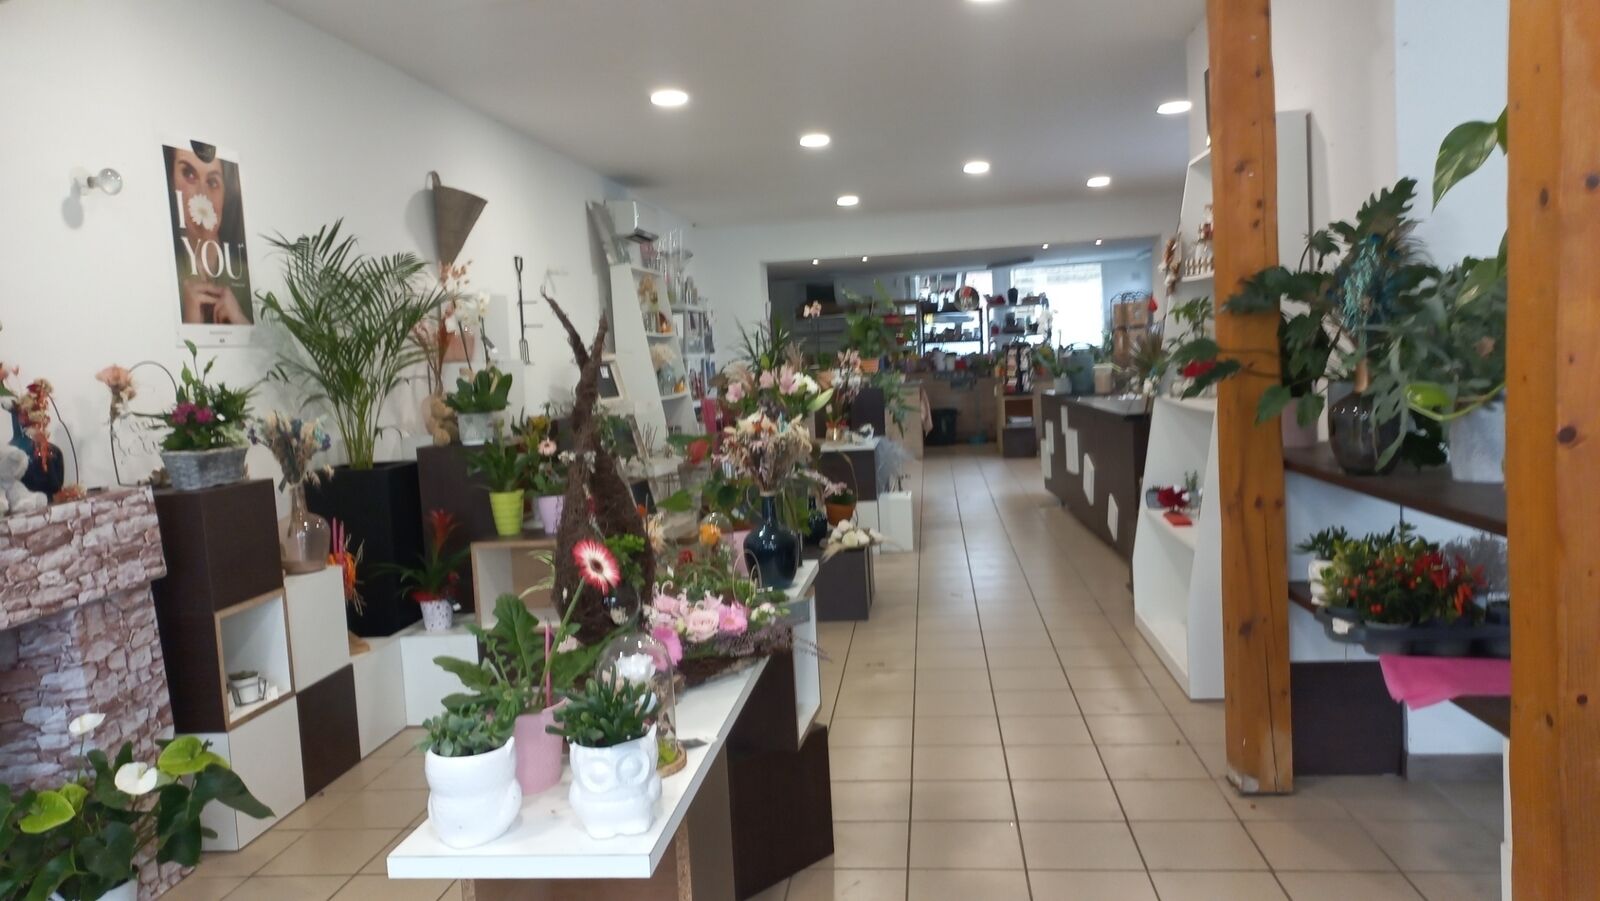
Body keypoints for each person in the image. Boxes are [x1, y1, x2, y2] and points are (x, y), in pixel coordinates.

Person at [167, 143, 251, 324]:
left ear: (225, 195)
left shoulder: (245, 276)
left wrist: (239, 319)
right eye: (189, 174)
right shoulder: (165, 275)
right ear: (172, 181)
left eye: (213, 182)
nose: (203, 196)